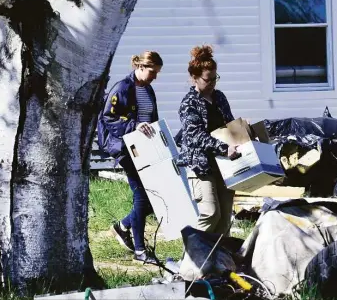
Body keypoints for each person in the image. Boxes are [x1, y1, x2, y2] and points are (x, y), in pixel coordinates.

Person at [97, 50, 163, 264]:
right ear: (141, 67)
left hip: (146, 149)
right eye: (153, 71)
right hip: (127, 149)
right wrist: (134, 126)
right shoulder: (123, 87)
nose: (155, 77)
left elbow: (151, 119)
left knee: (154, 197)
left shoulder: (149, 90)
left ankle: (123, 226)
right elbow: (109, 117)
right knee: (142, 197)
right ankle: (140, 251)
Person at [178, 45, 240, 235]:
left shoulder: (220, 97)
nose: (212, 83)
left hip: (224, 165)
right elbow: (195, 135)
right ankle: (190, 258)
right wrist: (223, 148)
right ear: (194, 77)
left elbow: (229, 125)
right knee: (211, 213)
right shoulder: (189, 103)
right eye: (208, 79)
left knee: (224, 220)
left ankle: (219, 261)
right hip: (201, 166)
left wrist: (243, 131)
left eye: (215, 78)